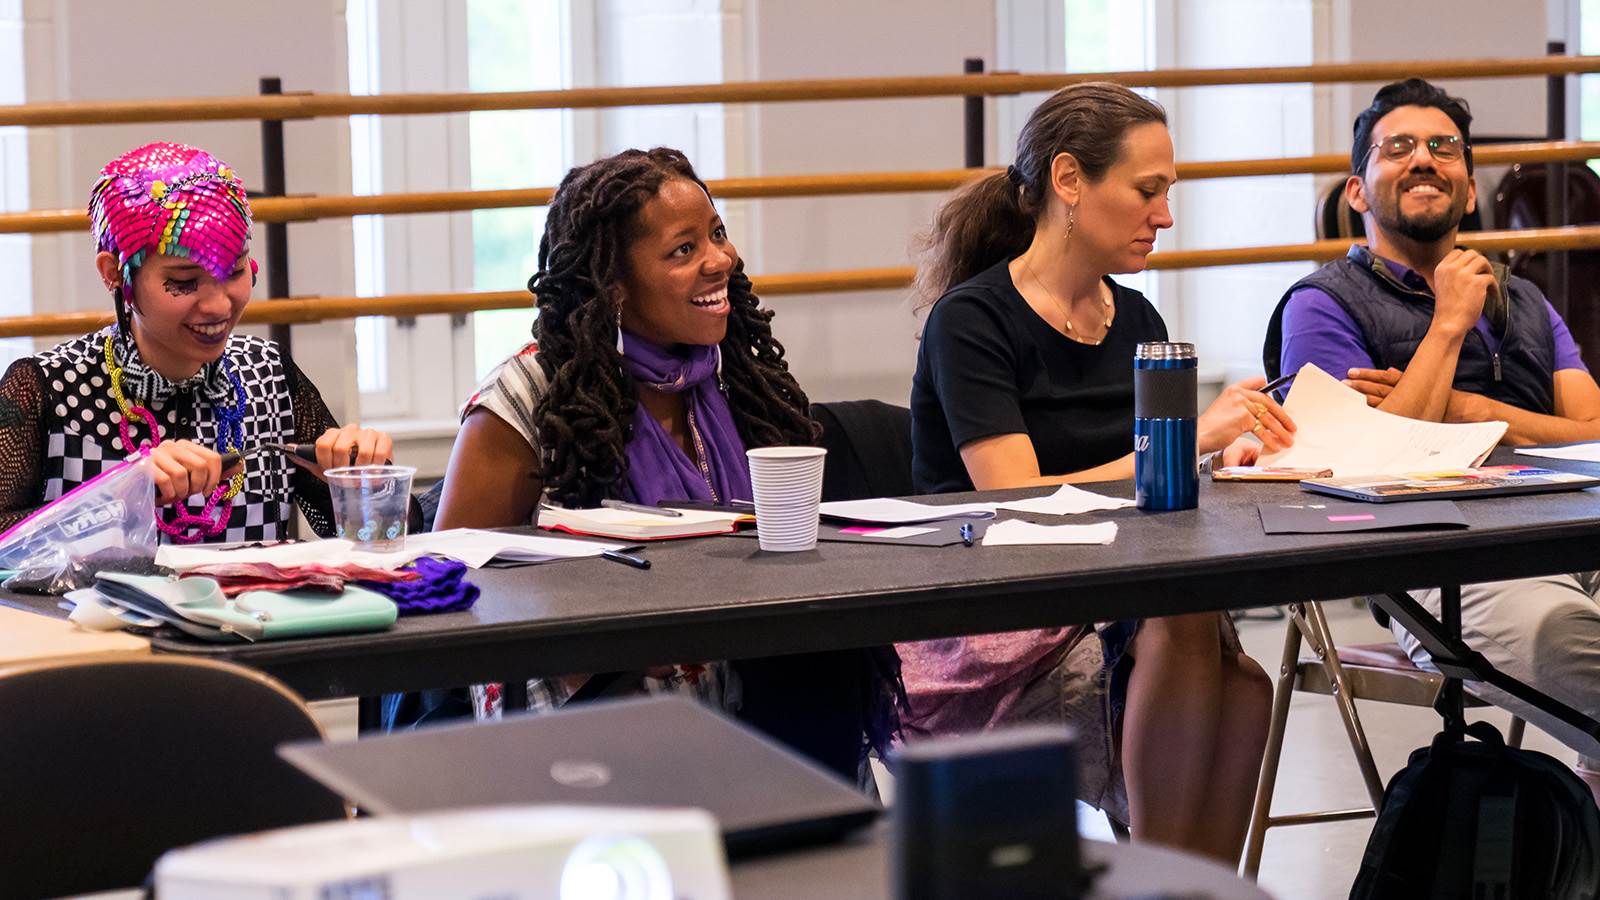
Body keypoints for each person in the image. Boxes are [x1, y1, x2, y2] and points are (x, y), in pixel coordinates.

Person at [905, 82, 1294, 863]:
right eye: (1148, 191)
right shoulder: (972, 321)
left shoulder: (1138, 320)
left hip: (1113, 594)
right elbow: (1015, 497)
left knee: (1246, 685)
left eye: (1167, 192)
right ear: (1069, 181)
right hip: (999, 614)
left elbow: (1155, 494)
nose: (1165, 216)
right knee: (1187, 623)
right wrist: (1187, 439)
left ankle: (1181, 885)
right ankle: (1164, 880)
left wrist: (1228, 460)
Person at [436, 147, 901, 781]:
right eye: (683, 250)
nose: (721, 260)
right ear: (613, 284)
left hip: (742, 661)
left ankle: (812, 832)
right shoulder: (528, 398)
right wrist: (591, 640)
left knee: (824, 667)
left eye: (717, 234)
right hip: (583, 682)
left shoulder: (737, 378)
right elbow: (449, 580)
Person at [1266, 77, 1600, 804]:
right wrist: (1448, 324)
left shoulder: (1526, 300)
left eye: (1444, 147)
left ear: (1470, 190)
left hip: (1574, 535)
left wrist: (1464, 409)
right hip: (1445, 565)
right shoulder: (1321, 306)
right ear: (1357, 191)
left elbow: (1594, 433)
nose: (1424, 158)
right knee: (1573, 640)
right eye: (1399, 148)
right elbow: (1360, 463)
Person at [0, 142, 401, 543]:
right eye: (184, 281)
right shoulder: (47, 387)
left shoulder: (269, 376)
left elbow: (383, 539)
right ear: (115, 273)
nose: (218, 305)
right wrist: (118, 498)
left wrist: (369, 486)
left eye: (235, 271)